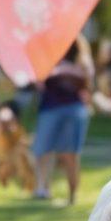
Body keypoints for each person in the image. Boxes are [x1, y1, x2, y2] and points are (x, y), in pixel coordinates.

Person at [32, 34, 94, 204]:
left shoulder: (81, 59)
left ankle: (70, 197)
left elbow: (87, 83)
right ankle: (43, 188)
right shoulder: (50, 56)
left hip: (69, 108)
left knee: (68, 154)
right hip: (54, 107)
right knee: (45, 149)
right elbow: (39, 82)